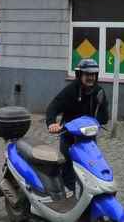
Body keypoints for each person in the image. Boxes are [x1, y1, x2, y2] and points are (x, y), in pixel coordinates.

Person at [46, 58, 109, 191]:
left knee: (92, 167)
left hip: (88, 137)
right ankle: (68, 195)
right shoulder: (70, 91)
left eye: (93, 74)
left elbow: (104, 115)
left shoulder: (99, 92)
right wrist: (52, 123)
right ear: (80, 75)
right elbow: (53, 106)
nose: (90, 77)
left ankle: (91, 196)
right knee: (68, 168)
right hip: (69, 136)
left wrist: (98, 120)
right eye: (87, 74)